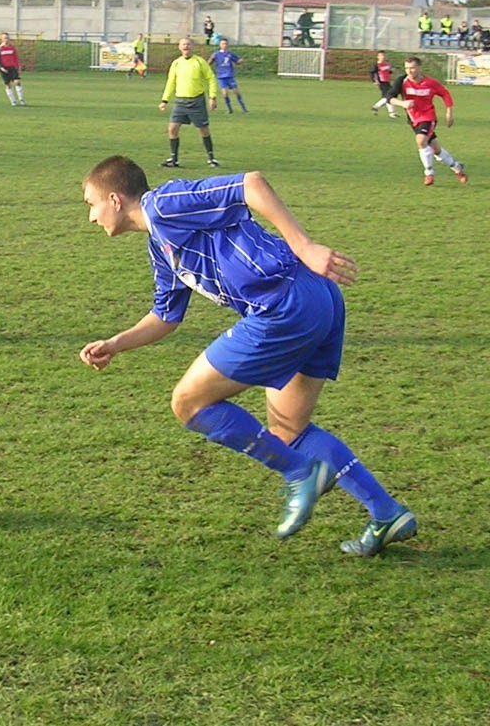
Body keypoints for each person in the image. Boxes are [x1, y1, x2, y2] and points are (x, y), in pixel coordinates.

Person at [79, 155, 418, 556]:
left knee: (188, 402)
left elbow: (252, 184)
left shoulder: (163, 204)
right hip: (316, 300)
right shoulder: (160, 245)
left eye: (90, 204)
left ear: (115, 199)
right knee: (288, 431)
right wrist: (115, 344)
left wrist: (305, 245)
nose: (90, 217)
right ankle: (386, 513)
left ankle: (299, 474)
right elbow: (166, 317)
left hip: (285, 303)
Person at [388, 56, 468, 187]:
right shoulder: (402, 81)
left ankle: (429, 173)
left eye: (412, 68)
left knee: (421, 141)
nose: (410, 71)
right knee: (436, 149)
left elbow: (445, 93)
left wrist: (449, 112)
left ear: (419, 68)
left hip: (428, 117)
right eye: (407, 68)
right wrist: (402, 103)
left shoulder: (430, 82)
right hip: (414, 120)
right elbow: (389, 98)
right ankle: (457, 167)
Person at [158, 38, 219, 168]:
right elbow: (171, 82)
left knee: (203, 130)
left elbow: (211, 78)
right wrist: (164, 100)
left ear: (193, 47)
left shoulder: (199, 62)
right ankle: (174, 159)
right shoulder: (176, 63)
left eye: (188, 44)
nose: (186, 46)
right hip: (180, 101)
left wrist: (212, 97)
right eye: (183, 44)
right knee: (172, 129)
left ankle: (211, 158)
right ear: (179, 47)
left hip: (197, 100)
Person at [207, 37, 247, 114]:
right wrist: (208, 63)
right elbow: (209, 62)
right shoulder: (216, 54)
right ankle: (229, 109)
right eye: (223, 43)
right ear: (220, 45)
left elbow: (237, 61)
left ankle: (244, 108)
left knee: (236, 92)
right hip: (221, 77)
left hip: (230, 76)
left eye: (226, 44)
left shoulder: (230, 54)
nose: (224, 45)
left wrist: (240, 61)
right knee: (225, 93)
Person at [0, 32, 26, 106]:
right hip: (4, 68)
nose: (7, 39)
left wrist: (18, 66)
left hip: (12, 67)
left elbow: (16, 58)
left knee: (17, 82)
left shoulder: (12, 47)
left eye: (8, 38)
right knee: (8, 84)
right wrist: (1, 67)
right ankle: (13, 101)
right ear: (1, 39)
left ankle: (21, 99)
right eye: (5, 38)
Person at [369, 50, 398, 118]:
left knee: (388, 96)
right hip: (381, 82)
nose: (383, 57)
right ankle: (391, 113)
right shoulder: (376, 65)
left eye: (384, 55)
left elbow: (387, 72)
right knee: (390, 96)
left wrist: (391, 71)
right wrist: (374, 81)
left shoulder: (386, 64)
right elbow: (371, 73)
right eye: (381, 55)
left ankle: (377, 108)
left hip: (387, 81)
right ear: (378, 57)